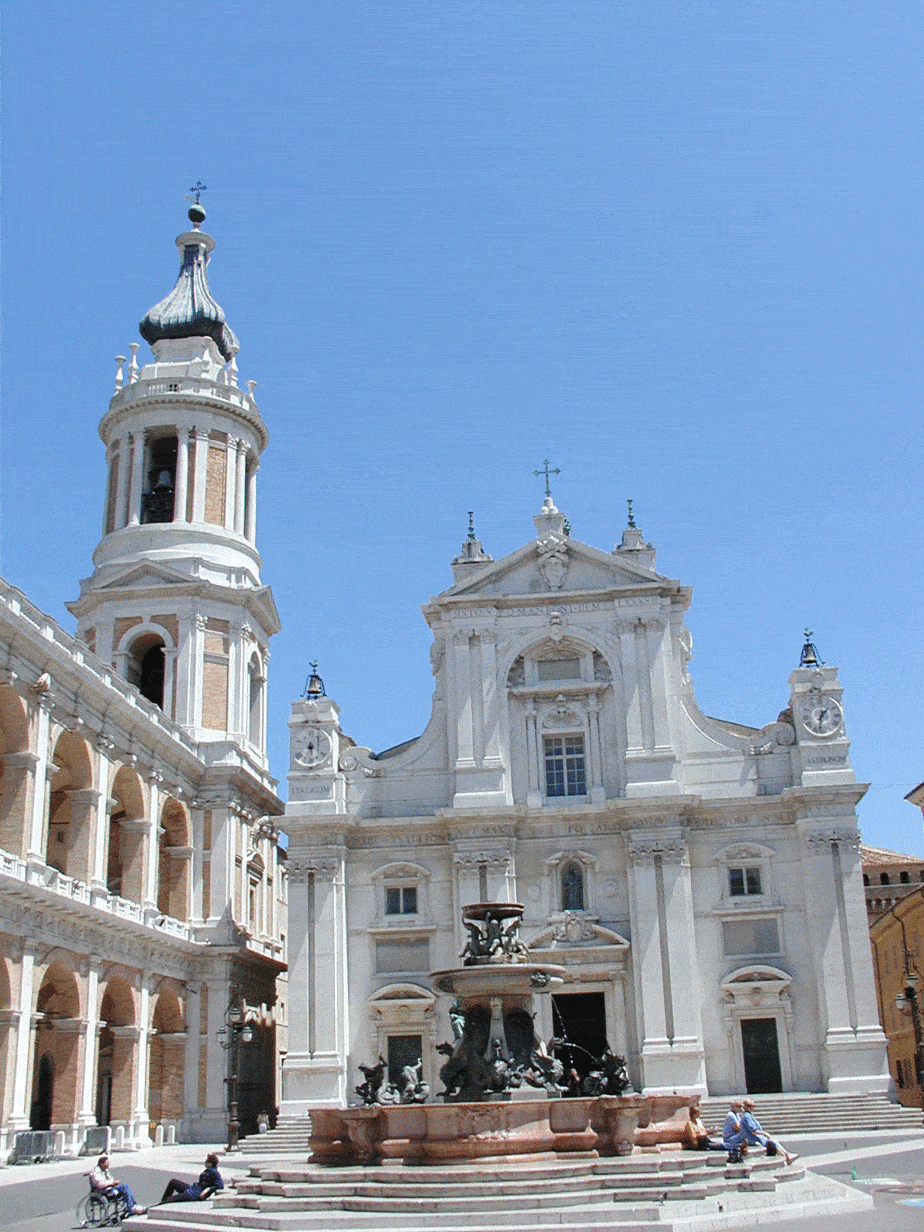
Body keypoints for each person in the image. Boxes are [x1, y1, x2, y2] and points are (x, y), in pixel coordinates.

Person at [741, 1098, 798, 1165]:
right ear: (745, 1107)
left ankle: (786, 1155)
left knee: (774, 1141)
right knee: (772, 1142)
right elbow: (753, 1130)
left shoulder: (749, 1115)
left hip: (754, 1136)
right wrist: (765, 1134)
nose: (752, 1108)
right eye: (750, 1106)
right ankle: (786, 1157)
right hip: (752, 1138)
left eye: (752, 1106)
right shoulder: (747, 1116)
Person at [159, 1152, 224, 1203]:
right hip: (193, 1189)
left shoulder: (214, 1172)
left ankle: (158, 1206)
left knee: (171, 1199)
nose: (205, 1162)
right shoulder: (208, 1170)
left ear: (211, 1163)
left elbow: (220, 1185)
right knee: (173, 1182)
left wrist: (207, 1190)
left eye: (207, 1161)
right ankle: (162, 1202)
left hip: (195, 1194)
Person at [722, 1099, 749, 1163]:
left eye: (741, 1107)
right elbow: (738, 1128)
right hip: (729, 1138)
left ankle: (742, 1148)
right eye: (739, 1106)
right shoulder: (731, 1115)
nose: (741, 1108)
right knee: (745, 1135)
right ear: (733, 1107)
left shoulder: (736, 1114)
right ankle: (741, 1148)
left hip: (735, 1136)